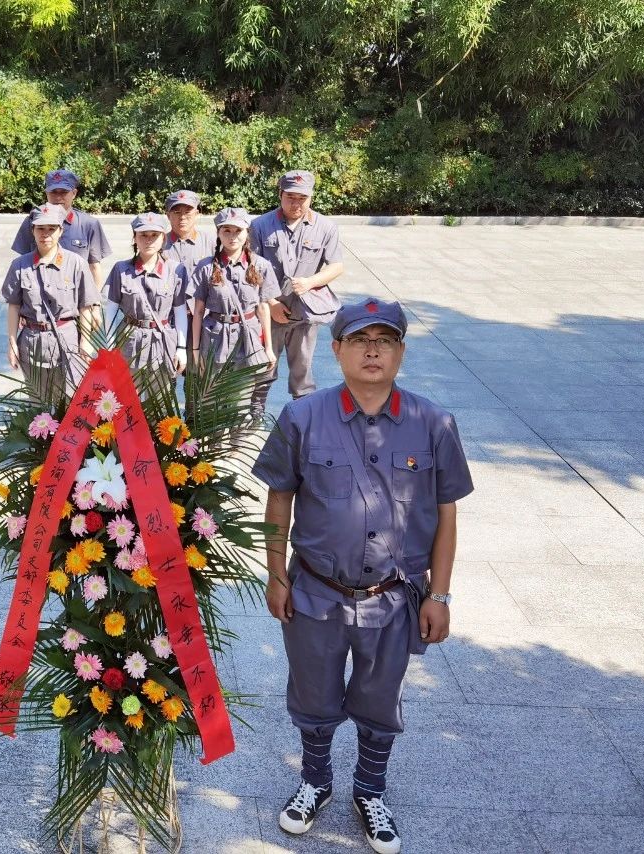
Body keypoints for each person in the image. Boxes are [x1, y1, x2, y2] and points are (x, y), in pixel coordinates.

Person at [251, 299, 474, 854]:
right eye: (359, 340)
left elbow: (446, 515)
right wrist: (276, 575)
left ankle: (370, 789)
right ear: (336, 350)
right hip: (315, 591)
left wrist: (440, 595)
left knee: (380, 698)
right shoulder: (302, 417)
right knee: (313, 693)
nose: (372, 351)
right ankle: (316, 780)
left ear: (401, 351)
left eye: (385, 340)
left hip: (393, 597)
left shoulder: (433, 423)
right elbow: (278, 500)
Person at [249, 170, 345, 412]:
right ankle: (254, 415)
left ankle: (302, 415)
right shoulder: (260, 226)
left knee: (302, 371)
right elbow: (250, 269)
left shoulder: (325, 227)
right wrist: (272, 303)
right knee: (263, 366)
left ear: (311, 198)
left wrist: (311, 282)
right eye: (290, 197)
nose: (296, 203)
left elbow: (336, 266)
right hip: (269, 312)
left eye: (302, 198)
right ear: (280, 195)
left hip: (305, 313)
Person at [1, 203, 102, 402]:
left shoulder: (76, 263)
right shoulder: (20, 265)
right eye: (40, 228)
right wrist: (12, 343)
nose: (45, 234)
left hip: (67, 341)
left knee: (70, 401)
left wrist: (86, 341)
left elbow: (85, 305)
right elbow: (14, 306)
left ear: (61, 231)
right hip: (32, 342)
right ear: (32, 230)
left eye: (51, 228)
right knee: (37, 403)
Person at [189, 207, 280, 420]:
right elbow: (198, 311)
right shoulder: (206, 267)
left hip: (247, 339)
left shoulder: (260, 265)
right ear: (218, 233)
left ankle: (235, 436)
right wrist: (195, 350)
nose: (232, 236)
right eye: (226, 231)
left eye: (238, 230)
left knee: (241, 397)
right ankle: (214, 437)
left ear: (247, 233)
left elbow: (263, 308)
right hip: (214, 338)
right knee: (211, 398)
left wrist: (268, 348)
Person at [103, 212, 192, 385]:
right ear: (134, 238)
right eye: (143, 235)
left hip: (162, 343)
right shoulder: (121, 269)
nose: (149, 240)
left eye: (154, 235)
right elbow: (111, 310)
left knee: (161, 396)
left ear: (163, 238)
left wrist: (181, 348)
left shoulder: (176, 270)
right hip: (129, 342)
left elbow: (180, 311)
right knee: (128, 395)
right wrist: (110, 346)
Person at [10, 169, 111, 289]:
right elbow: (23, 264)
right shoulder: (32, 222)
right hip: (39, 293)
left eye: (64, 192)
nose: (58, 197)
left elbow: (94, 266)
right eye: (53, 192)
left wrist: (95, 298)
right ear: (46, 193)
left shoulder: (89, 224)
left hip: (76, 294)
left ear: (74, 193)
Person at [163, 189, 214, 270]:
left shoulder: (210, 242)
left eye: (187, 212)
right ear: (168, 216)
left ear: (196, 214)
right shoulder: (159, 244)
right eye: (177, 212)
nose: (182, 217)